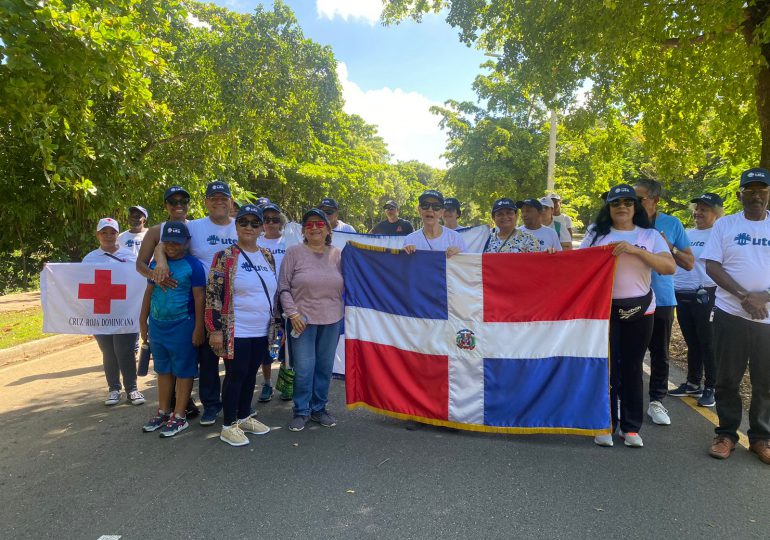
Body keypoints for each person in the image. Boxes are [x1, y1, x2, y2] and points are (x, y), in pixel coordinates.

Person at [580, 184, 675, 448]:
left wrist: (636, 251)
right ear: (608, 208)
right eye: (615, 203)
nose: (622, 206)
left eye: (628, 202)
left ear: (635, 207)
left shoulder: (650, 235)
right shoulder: (595, 234)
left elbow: (669, 267)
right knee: (607, 368)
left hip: (641, 310)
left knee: (633, 368)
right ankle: (605, 424)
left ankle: (631, 428)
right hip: (603, 311)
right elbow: (576, 264)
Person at [152, 180, 239, 426]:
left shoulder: (241, 226)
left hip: (237, 301)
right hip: (204, 301)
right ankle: (211, 406)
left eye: (224, 198)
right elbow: (164, 243)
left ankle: (237, 404)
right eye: (214, 198)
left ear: (231, 202)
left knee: (235, 357)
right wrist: (160, 261)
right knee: (208, 358)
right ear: (206, 203)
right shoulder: (194, 226)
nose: (219, 202)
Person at [703, 168, 770, 465]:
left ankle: (761, 438)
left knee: (765, 382)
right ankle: (726, 434)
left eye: (762, 190)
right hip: (731, 313)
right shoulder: (726, 225)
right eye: (750, 190)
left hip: (767, 318)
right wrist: (745, 297)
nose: (756, 195)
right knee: (727, 379)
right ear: (739, 194)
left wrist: (762, 297)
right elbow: (713, 267)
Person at [206, 204, 276, 446]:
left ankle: (245, 415)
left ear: (262, 228)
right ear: (236, 226)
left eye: (254, 223)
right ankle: (228, 424)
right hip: (237, 328)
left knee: (251, 374)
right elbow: (213, 294)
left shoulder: (267, 255)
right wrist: (214, 329)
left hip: (261, 328)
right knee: (236, 375)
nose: (249, 227)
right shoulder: (225, 256)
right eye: (243, 222)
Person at [634, 179, 694, 426]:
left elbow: (689, 263)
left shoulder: (672, 224)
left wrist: (670, 248)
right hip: (630, 298)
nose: (633, 204)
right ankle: (627, 399)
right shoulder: (625, 222)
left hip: (663, 299)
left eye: (639, 199)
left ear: (655, 200)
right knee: (628, 353)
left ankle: (657, 401)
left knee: (660, 353)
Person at [280, 208, 344, 432]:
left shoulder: (338, 254)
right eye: (309, 224)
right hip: (302, 321)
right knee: (305, 368)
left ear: (328, 229)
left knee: (324, 368)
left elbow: (366, 273)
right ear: (303, 230)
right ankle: (301, 410)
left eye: (319, 224)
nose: (314, 228)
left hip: (332, 319)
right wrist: (292, 313)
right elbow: (283, 288)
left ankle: (319, 409)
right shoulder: (293, 253)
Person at [140, 222, 205, 437]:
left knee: (184, 371)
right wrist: (143, 321)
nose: (172, 247)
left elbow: (199, 298)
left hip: (183, 325)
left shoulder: (193, 265)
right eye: (168, 242)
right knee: (163, 370)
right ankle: (163, 410)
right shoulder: (157, 263)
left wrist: (198, 328)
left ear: (186, 243)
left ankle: (179, 416)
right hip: (158, 325)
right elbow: (149, 293)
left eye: (177, 243)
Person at [669, 193, 724, 408]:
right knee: (692, 341)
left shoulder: (719, 234)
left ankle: (712, 386)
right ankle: (693, 382)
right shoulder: (687, 233)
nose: (698, 213)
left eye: (705, 210)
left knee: (708, 342)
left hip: (706, 294)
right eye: (697, 208)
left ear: (717, 214)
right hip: (681, 293)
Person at [82, 218, 144, 406]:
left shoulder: (131, 256)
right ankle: (113, 389)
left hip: (125, 312)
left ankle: (132, 389)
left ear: (118, 234)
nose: (108, 236)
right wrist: (52, 271)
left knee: (124, 350)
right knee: (108, 351)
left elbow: (141, 280)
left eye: (112, 232)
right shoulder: (89, 258)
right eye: (104, 232)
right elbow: (76, 281)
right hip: (100, 313)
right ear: (98, 234)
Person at [256, 202, 289, 402]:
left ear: (281, 222)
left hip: (286, 299)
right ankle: (267, 384)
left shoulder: (289, 242)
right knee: (265, 345)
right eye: (266, 219)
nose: (270, 223)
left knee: (288, 345)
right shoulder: (255, 241)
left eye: (275, 219)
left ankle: (285, 384)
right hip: (263, 300)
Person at [403, 190, 466, 256]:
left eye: (436, 206)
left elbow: (467, 264)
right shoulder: (410, 240)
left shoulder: (455, 238)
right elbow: (403, 265)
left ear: (442, 212)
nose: (430, 209)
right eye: (425, 205)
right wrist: (405, 254)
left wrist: (459, 254)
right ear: (419, 209)